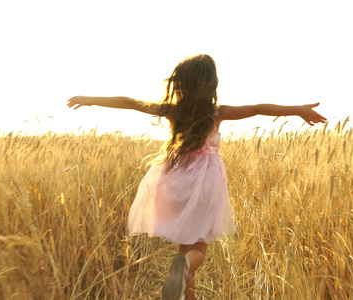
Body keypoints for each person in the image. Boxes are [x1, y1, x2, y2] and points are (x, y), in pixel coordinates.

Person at [67, 54, 326, 300]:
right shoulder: (217, 112)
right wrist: (298, 109)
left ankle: (185, 293)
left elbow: (132, 103)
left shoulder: (173, 110)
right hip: (204, 181)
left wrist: (91, 99)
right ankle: (181, 272)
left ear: (181, 83)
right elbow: (258, 108)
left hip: (174, 178)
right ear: (211, 84)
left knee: (184, 245)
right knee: (198, 247)